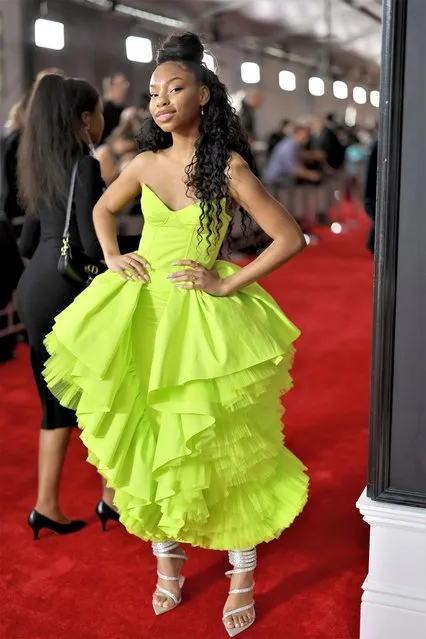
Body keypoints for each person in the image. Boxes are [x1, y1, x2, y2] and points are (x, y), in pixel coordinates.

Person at [42, 33, 309, 636]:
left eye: (175, 88)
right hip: (141, 314)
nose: (159, 101)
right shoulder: (140, 162)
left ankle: (241, 573)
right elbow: (101, 210)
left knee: (226, 449)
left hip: (204, 321)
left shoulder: (229, 167)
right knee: (151, 441)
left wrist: (226, 285)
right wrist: (112, 256)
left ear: (205, 95)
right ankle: (169, 564)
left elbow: (289, 237)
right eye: (152, 92)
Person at [16, 74, 119, 540]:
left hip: (33, 291)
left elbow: (28, 239)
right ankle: (112, 499)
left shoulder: (41, 166)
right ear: (85, 119)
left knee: (54, 405)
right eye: (100, 112)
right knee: (106, 395)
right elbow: (88, 245)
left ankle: (46, 506)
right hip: (65, 295)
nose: (103, 121)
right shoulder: (84, 164)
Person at [100, 72, 130, 142]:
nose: (123, 88)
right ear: (109, 86)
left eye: (125, 84)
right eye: (119, 85)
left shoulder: (125, 109)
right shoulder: (102, 109)